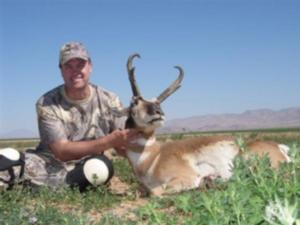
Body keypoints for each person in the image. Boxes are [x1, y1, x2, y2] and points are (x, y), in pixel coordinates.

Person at [0, 42, 138, 191]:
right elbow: (62, 151)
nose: (75, 71)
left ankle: (32, 186)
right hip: (46, 165)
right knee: (7, 157)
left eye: (80, 64)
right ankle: (52, 186)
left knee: (100, 168)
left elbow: (125, 141)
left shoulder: (109, 100)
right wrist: (108, 142)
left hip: (86, 165)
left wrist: (132, 144)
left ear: (90, 66)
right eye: (68, 66)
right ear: (61, 70)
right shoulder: (46, 103)